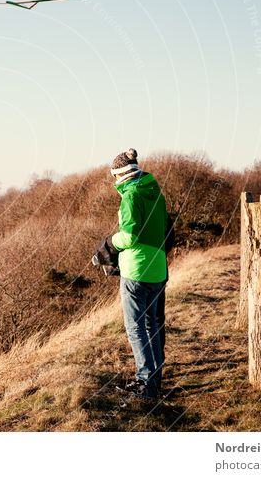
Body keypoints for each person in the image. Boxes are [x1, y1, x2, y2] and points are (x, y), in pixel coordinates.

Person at [98, 148, 170, 401]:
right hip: (159, 269)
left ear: (120, 176)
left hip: (136, 271)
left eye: (115, 177)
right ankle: (154, 381)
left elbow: (129, 236)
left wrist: (108, 244)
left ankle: (145, 385)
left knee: (135, 327)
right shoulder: (157, 194)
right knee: (153, 325)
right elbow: (168, 231)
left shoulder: (130, 197)